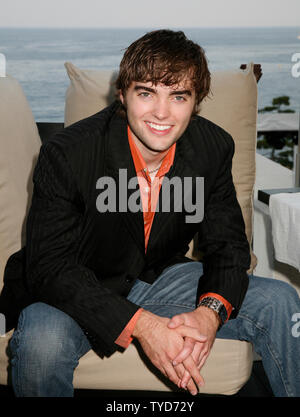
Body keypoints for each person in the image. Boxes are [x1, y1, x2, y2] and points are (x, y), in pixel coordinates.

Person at [1, 29, 299, 397]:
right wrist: (144, 326)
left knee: (281, 300)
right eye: (146, 93)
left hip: (157, 276)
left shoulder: (213, 147)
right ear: (123, 95)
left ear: (196, 101)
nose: (162, 112)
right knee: (41, 343)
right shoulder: (68, 153)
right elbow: (50, 267)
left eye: (178, 96)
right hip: (73, 288)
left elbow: (229, 248)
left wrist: (209, 312)